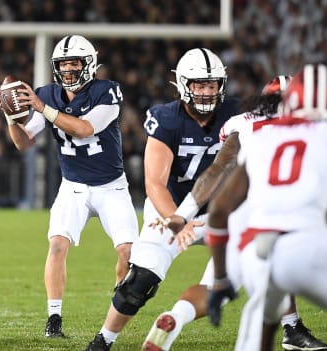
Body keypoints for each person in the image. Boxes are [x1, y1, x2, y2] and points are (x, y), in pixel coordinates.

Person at [142, 75, 327, 350]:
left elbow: (217, 171)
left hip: (251, 212)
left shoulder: (242, 123)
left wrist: (183, 214)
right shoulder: (318, 126)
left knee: (214, 287)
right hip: (304, 210)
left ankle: (176, 316)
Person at [206, 63, 327, 350]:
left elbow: (219, 209)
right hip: (307, 246)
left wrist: (220, 279)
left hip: (255, 250)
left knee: (267, 315)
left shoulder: (261, 136)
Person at [83, 47, 239, 351]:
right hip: (172, 210)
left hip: (222, 214)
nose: (207, 92)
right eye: (199, 85)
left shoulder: (236, 115)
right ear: (183, 84)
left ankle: (291, 326)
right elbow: (154, 183)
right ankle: (103, 340)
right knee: (137, 283)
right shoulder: (166, 119)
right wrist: (178, 221)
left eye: (212, 84)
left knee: (222, 286)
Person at [0, 34, 139, 338]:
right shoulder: (50, 94)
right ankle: (54, 319)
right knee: (58, 244)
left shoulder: (107, 91)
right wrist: (11, 118)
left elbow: (85, 129)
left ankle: (117, 313)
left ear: (89, 64)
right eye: (64, 64)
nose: (69, 70)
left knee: (127, 252)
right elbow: (24, 142)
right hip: (73, 186)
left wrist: (43, 108)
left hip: (111, 186)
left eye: (75, 63)